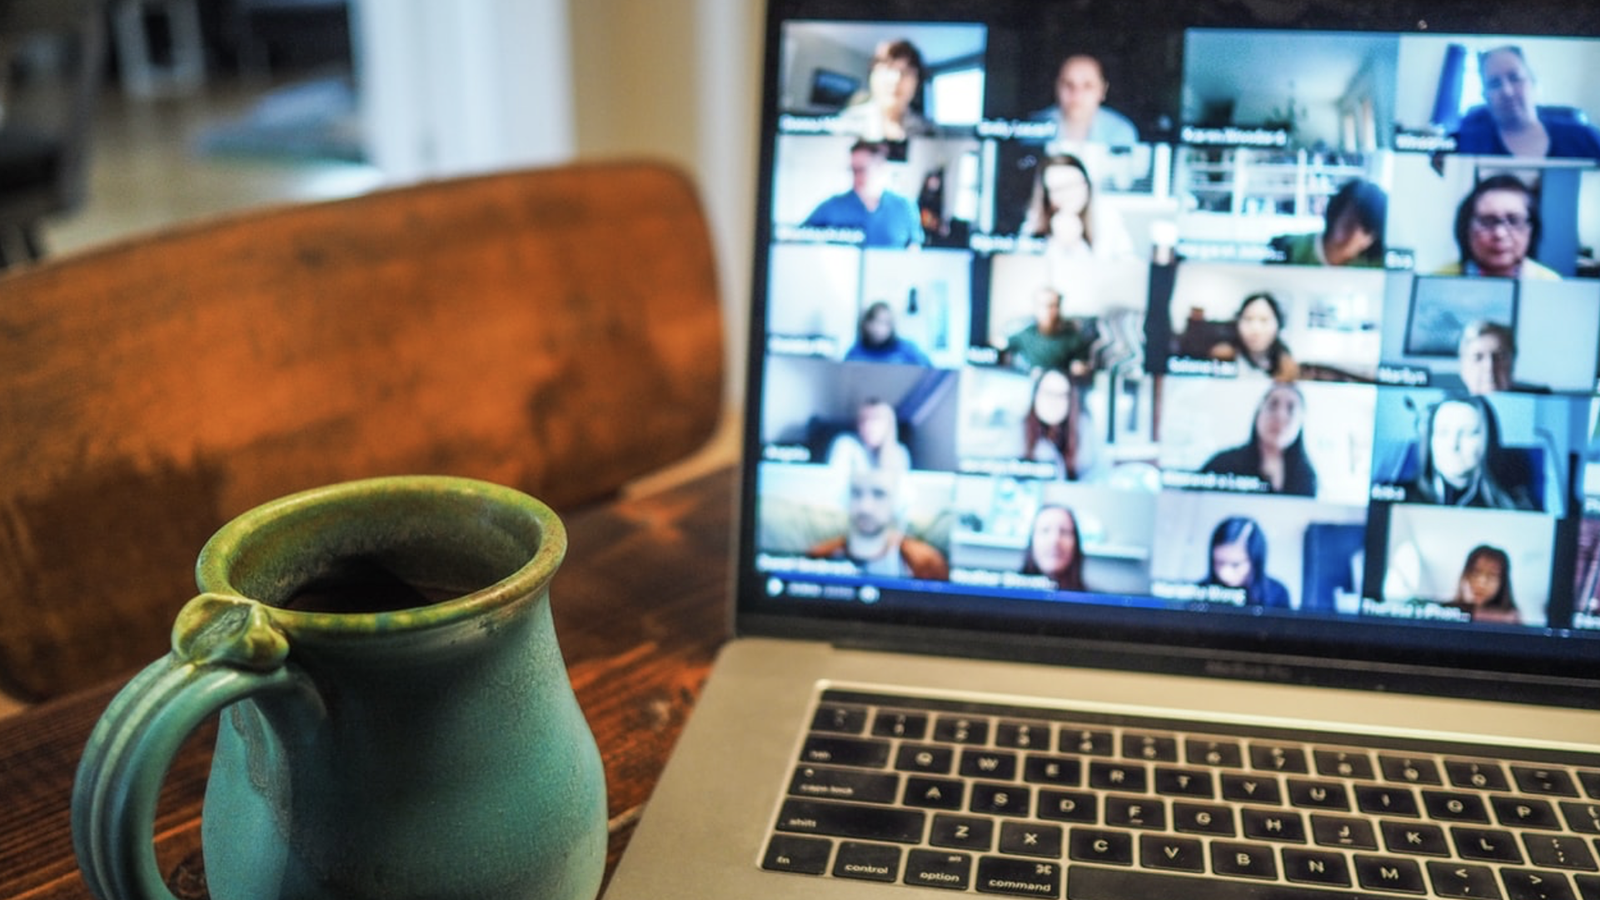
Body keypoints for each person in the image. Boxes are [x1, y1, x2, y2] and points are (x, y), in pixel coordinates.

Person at [1452, 46, 1600, 162]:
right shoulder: (1466, 145)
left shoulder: (1584, 137)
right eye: (1494, 83)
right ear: (1485, 96)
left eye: (1515, 78)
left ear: (1533, 83)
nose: (1507, 91)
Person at [806, 465, 948, 579]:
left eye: (879, 494)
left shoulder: (927, 563)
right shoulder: (820, 556)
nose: (865, 507)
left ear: (898, 502)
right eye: (856, 493)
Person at [1405, 394, 1535, 510]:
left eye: (1468, 433)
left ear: (1487, 440)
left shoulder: (1514, 506)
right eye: (1443, 433)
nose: (1453, 445)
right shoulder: (1403, 497)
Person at [1200, 381, 1318, 497]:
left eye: (1291, 409)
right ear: (1258, 412)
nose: (1280, 416)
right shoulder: (1222, 464)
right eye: (1273, 405)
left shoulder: (1307, 477)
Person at [801, 140, 925, 248]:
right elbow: (799, 240)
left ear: (880, 167)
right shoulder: (831, 207)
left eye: (861, 170)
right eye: (853, 170)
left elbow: (913, 250)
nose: (856, 176)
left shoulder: (904, 207)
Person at [1435, 174, 1559, 280]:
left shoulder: (1550, 283)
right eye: (1487, 221)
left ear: (1531, 230)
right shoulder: (1439, 280)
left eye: (1514, 220)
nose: (1500, 233)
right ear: (1466, 228)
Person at [1268, 179, 1388, 267]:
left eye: (1365, 228)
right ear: (1336, 212)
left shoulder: (1376, 267)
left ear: (1372, 239)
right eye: (1350, 219)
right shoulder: (1289, 249)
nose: (1353, 231)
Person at [1030, 54, 1138, 146]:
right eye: (1068, 84)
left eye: (1087, 86)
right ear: (1057, 87)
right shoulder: (1032, 128)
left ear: (1102, 90)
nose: (1076, 93)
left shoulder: (1121, 131)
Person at [837, 39, 931, 142]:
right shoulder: (843, 125)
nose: (896, 79)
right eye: (889, 68)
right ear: (872, 76)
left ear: (917, 82)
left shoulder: (929, 132)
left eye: (906, 72)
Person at [1022, 367, 1098, 481]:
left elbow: (1097, 478)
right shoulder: (1018, 432)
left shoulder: (1084, 432)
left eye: (1061, 395)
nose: (1053, 401)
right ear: (1036, 396)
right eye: (1048, 393)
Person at [1000, 286, 1093, 375]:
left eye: (1055, 305)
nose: (1050, 311)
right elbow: (1000, 343)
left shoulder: (1073, 338)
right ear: (1036, 308)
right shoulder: (1025, 335)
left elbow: (1081, 363)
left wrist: (1078, 367)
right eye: (1045, 305)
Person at [1201, 517, 1291, 609]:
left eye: (1235, 564)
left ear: (1254, 561)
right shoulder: (1199, 591)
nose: (1224, 573)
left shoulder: (1277, 593)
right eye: (1219, 562)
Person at [1208, 292, 1299, 381]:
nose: (1255, 329)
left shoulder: (1286, 365)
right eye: (1248, 319)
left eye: (1264, 320)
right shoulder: (1223, 355)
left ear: (1278, 324)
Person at [826, 397, 911, 473]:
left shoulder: (899, 453)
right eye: (863, 419)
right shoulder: (846, 445)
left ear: (889, 424)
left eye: (876, 418)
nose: (868, 425)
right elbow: (836, 480)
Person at [1447, 544, 1521, 624]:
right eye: (1475, 573)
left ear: (1502, 583)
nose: (1481, 584)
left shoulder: (1511, 620)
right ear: (1465, 575)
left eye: (1492, 575)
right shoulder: (1445, 613)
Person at [1021, 504, 1087, 591]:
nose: (1055, 540)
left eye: (1064, 531)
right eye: (1045, 530)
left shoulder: (1097, 600)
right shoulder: (1005, 593)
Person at [844, 302, 931, 365]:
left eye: (886, 323)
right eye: (877, 322)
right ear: (867, 325)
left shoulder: (908, 349)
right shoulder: (855, 352)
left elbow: (930, 372)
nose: (880, 328)